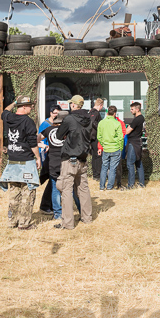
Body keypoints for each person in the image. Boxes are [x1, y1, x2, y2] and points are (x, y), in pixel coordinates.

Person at [0, 97, 41, 230]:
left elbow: (5, 110)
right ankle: (23, 224)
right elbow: (32, 143)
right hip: (26, 161)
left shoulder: (9, 117)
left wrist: (15, 102)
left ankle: (12, 221)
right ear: (23, 107)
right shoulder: (28, 121)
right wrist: (38, 157)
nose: (31, 108)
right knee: (27, 193)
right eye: (29, 106)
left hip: (12, 162)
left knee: (14, 193)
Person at [56, 95, 93, 230]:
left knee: (66, 189)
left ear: (73, 105)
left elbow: (59, 135)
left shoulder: (69, 118)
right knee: (83, 189)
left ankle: (68, 223)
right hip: (83, 158)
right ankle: (87, 218)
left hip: (70, 158)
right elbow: (92, 136)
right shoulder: (89, 119)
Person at [37, 106, 60, 215]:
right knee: (52, 182)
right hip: (46, 153)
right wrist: (44, 146)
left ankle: (49, 205)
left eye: (58, 113)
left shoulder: (59, 127)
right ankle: (47, 206)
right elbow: (38, 138)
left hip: (53, 156)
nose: (56, 115)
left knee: (53, 182)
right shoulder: (46, 125)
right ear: (51, 113)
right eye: (55, 113)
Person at [97, 105, 124, 191]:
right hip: (115, 148)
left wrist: (103, 145)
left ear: (107, 112)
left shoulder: (101, 123)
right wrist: (121, 147)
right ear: (115, 113)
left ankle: (101, 187)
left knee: (104, 167)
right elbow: (121, 138)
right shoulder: (117, 123)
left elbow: (99, 136)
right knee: (113, 168)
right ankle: (109, 187)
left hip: (106, 148)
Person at [124, 102, 145, 189]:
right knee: (138, 163)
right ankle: (141, 183)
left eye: (132, 109)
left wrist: (128, 126)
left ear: (137, 109)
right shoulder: (142, 118)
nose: (131, 110)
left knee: (130, 163)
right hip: (138, 142)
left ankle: (130, 185)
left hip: (133, 143)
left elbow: (127, 131)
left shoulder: (137, 119)